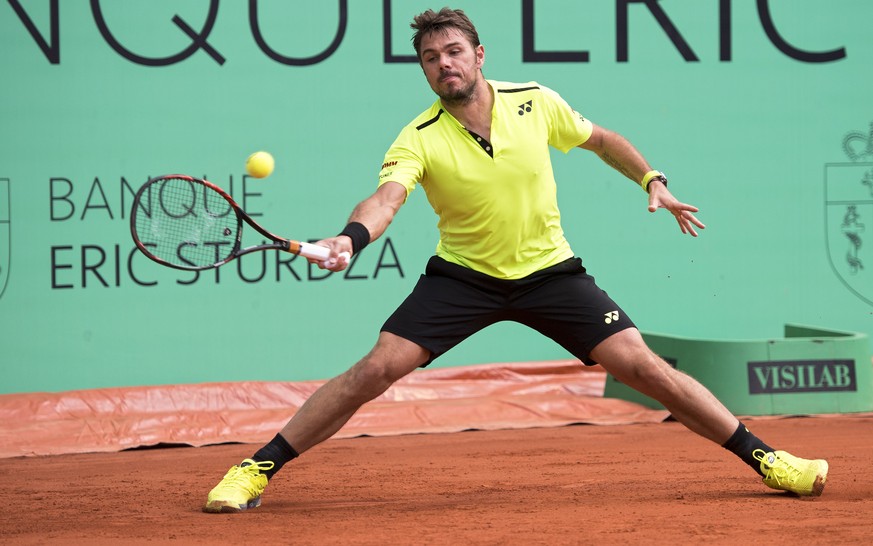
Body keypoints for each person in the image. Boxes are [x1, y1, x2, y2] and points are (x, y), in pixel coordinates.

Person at [203, 7, 827, 513]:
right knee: (375, 369)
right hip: (464, 277)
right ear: (423, 72)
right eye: (430, 58)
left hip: (550, 273)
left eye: (453, 51)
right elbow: (386, 199)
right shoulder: (418, 137)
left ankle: (769, 459)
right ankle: (254, 469)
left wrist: (651, 180)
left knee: (644, 367)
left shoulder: (535, 101)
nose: (444, 64)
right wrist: (352, 238)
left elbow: (602, 140)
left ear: (479, 55)